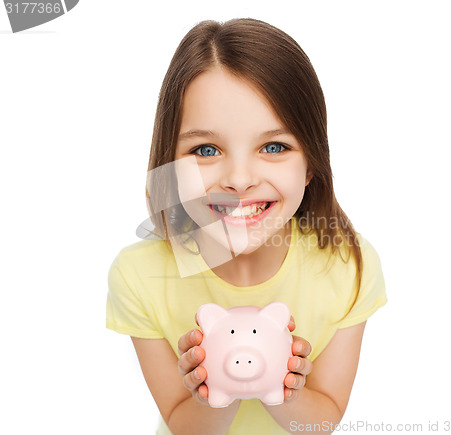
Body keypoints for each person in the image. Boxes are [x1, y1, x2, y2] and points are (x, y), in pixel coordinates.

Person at [106, 18, 387, 435]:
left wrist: (282, 385)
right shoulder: (139, 274)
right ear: (172, 164)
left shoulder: (347, 264)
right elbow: (184, 424)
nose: (239, 180)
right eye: (206, 149)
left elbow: (324, 421)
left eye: (273, 147)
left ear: (311, 164)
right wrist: (213, 386)